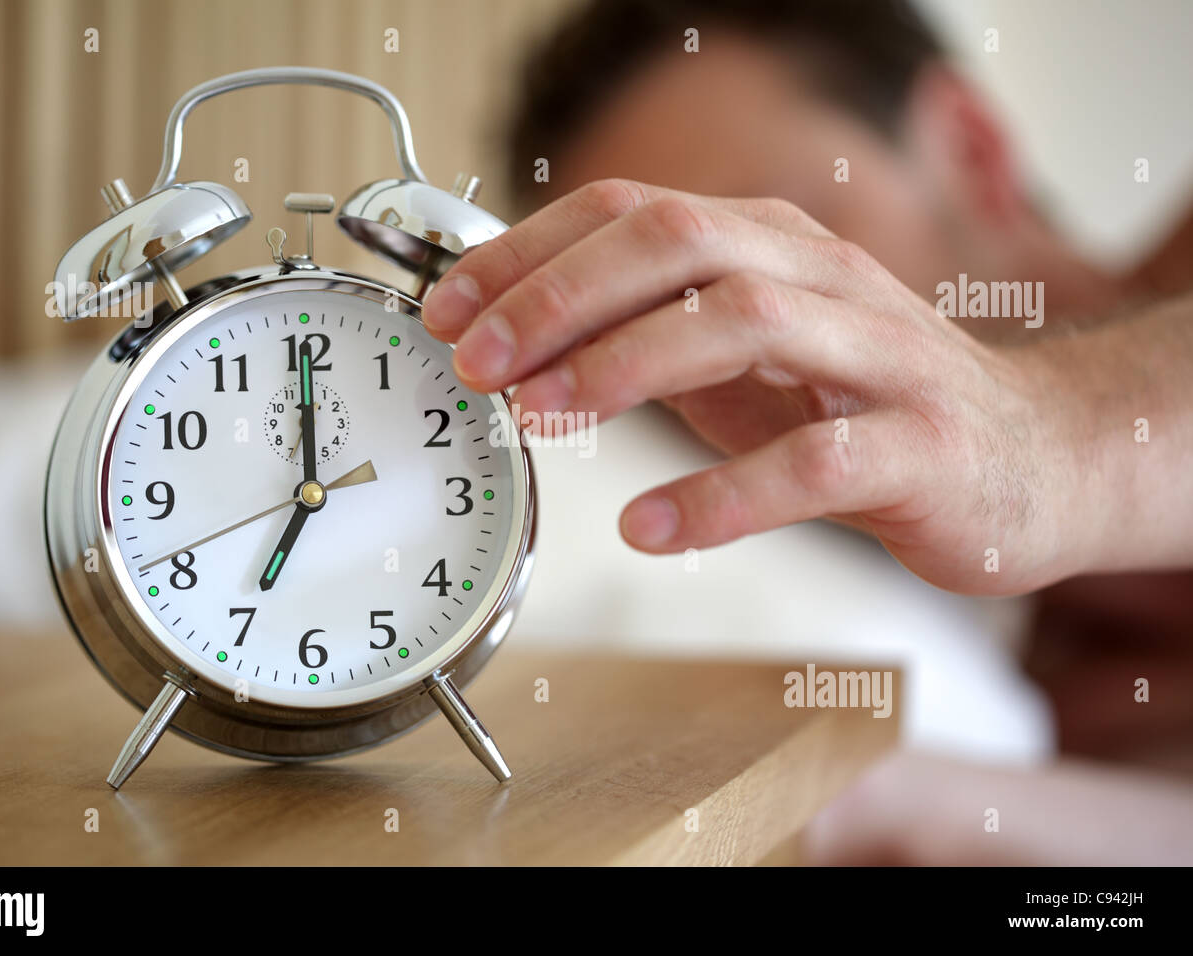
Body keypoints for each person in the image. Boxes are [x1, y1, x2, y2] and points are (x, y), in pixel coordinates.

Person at [422, 0, 1193, 863]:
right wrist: (883, 800)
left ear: (971, 149)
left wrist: (1041, 433)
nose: (745, 346)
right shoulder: (1043, 686)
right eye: (651, 323)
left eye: (796, 243)